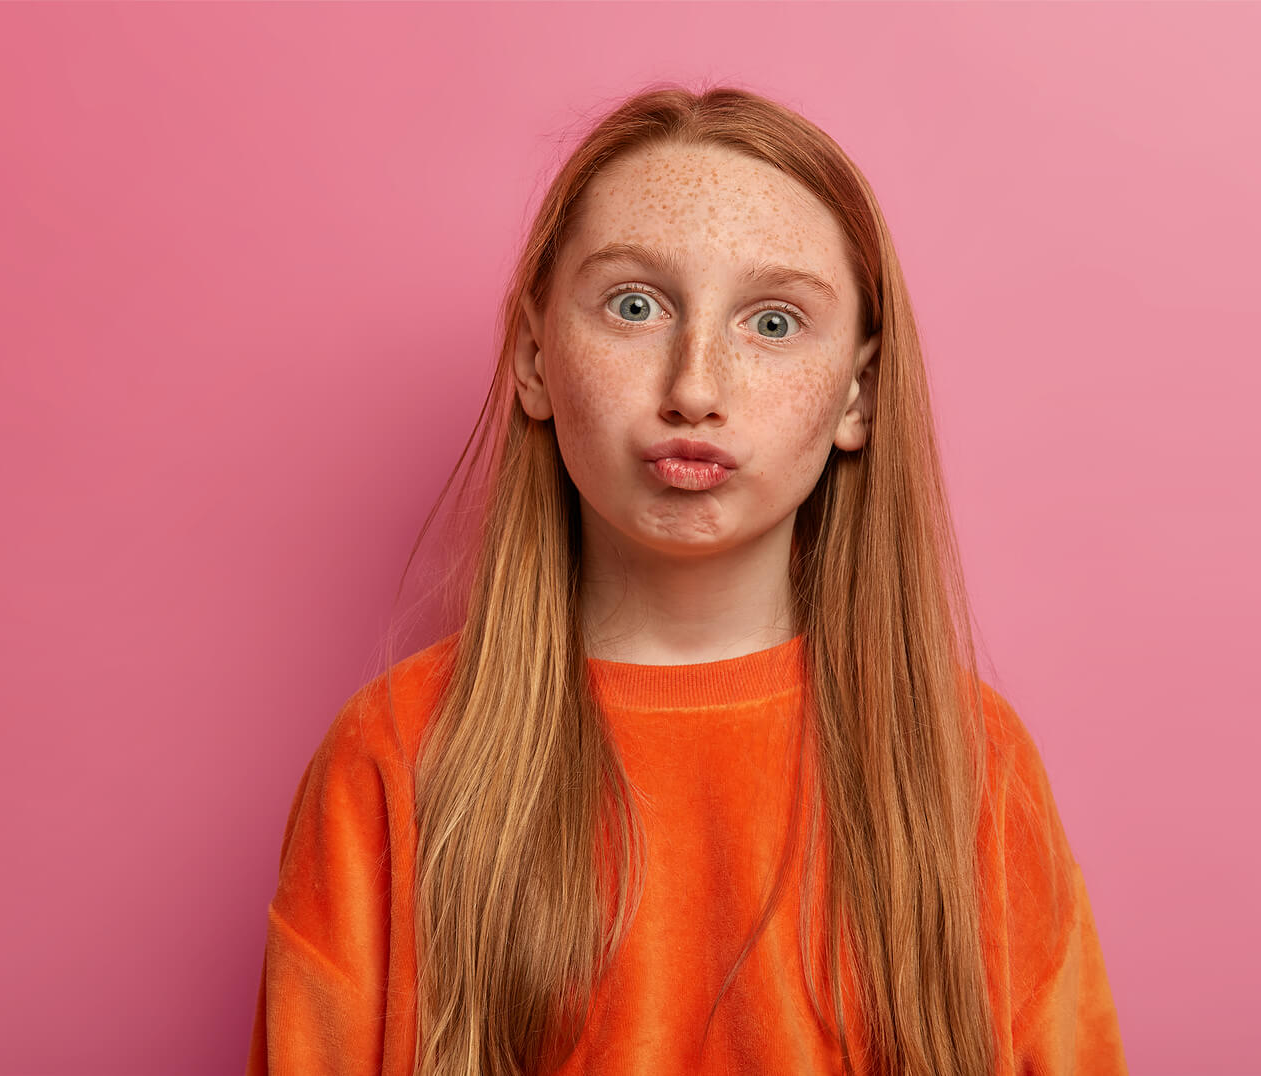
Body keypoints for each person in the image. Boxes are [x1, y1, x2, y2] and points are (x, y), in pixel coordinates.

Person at [247, 83, 1128, 1076]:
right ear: (536, 357)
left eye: (774, 322)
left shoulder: (969, 759)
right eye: (634, 305)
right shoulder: (395, 755)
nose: (695, 387)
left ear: (858, 392)